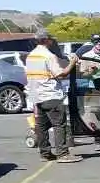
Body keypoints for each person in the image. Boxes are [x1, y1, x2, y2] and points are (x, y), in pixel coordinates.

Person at [25, 30, 76, 161]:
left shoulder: (31, 56)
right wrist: (72, 62)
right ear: (47, 40)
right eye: (51, 39)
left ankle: (45, 153)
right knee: (59, 124)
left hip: (37, 96)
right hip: (51, 95)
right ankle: (62, 153)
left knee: (41, 126)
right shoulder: (48, 56)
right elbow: (61, 74)